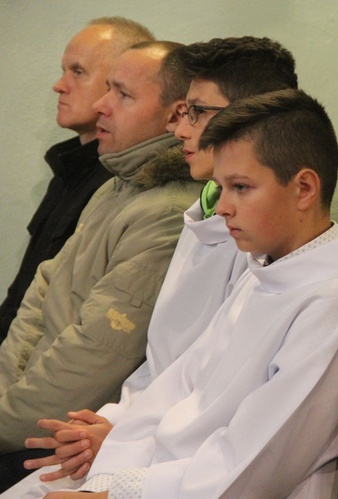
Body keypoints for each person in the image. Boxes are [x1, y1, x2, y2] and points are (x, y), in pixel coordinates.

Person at [24, 89, 338, 498]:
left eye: (241, 187)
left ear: (303, 188)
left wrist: (113, 494)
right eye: (220, 187)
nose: (223, 206)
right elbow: (182, 382)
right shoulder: (265, 270)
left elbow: (255, 465)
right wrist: (114, 454)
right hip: (165, 476)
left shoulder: (334, 302)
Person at [14, 36, 299, 488]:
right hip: (137, 443)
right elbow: (168, 368)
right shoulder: (200, 216)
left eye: (196, 112)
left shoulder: (313, 282)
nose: (180, 128)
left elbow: (234, 426)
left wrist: (122, 447)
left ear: (252, 120)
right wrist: (116, 429)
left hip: (175, 471)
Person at [0, 41, 200, 490]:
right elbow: (40, 296)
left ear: (174, 116)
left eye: (123, 95)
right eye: (107, 89)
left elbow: (93, 355)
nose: (102, 106)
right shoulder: (116, 185)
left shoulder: (167, 211)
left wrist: (4, 422)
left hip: (59, 448)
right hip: (21, 425)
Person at [0, 18, 154, 342]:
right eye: (63, 70)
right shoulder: (68, 173)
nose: (59, 84)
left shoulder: (117, 185)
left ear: (117, 83)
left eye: (78, 71)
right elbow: (21, 296)